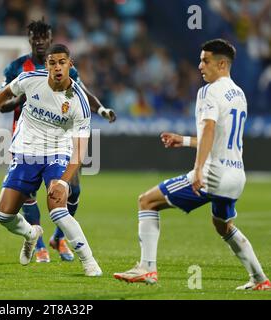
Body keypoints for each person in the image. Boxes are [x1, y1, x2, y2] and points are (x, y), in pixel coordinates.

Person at [113, 39, 270, 290]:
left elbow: (209, 129)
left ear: (221, 64)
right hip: (236, 176)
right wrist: (184, 140)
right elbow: (218, 137)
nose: (200, 65)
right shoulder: (239, 94)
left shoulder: (209, 91)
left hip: (213, 174)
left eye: (205, 60)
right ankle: (260, 279)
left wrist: (198, 170)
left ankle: (147, 268)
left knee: (147, 201)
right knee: (223, 226)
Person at [0, 44, 102, 276]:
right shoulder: (30, 79)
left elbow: (80, 149)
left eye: (62, 62)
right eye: (52, 62)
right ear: (46, 65)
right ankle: (31, 234)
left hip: (57, 153)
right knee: (3, 215)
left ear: (70, 64)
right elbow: (3, 94)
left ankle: (89, 262)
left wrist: (64, 182)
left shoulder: (79, 101)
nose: (57, 67)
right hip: (25, 152)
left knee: (57, 209)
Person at [0, 19, 116, 263]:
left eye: (44, 36)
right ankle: (38, 243)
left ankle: (59, 238)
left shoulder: (66, 68)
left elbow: (84, 94)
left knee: (72, 190)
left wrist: (102, 109)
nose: (40, 41)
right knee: (26, 196)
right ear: (29, 39)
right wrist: (25, 98)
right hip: (27, 141)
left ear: (51, 39)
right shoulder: (17, 68)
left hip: (59, 142)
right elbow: (3, 104)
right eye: (35, 36)